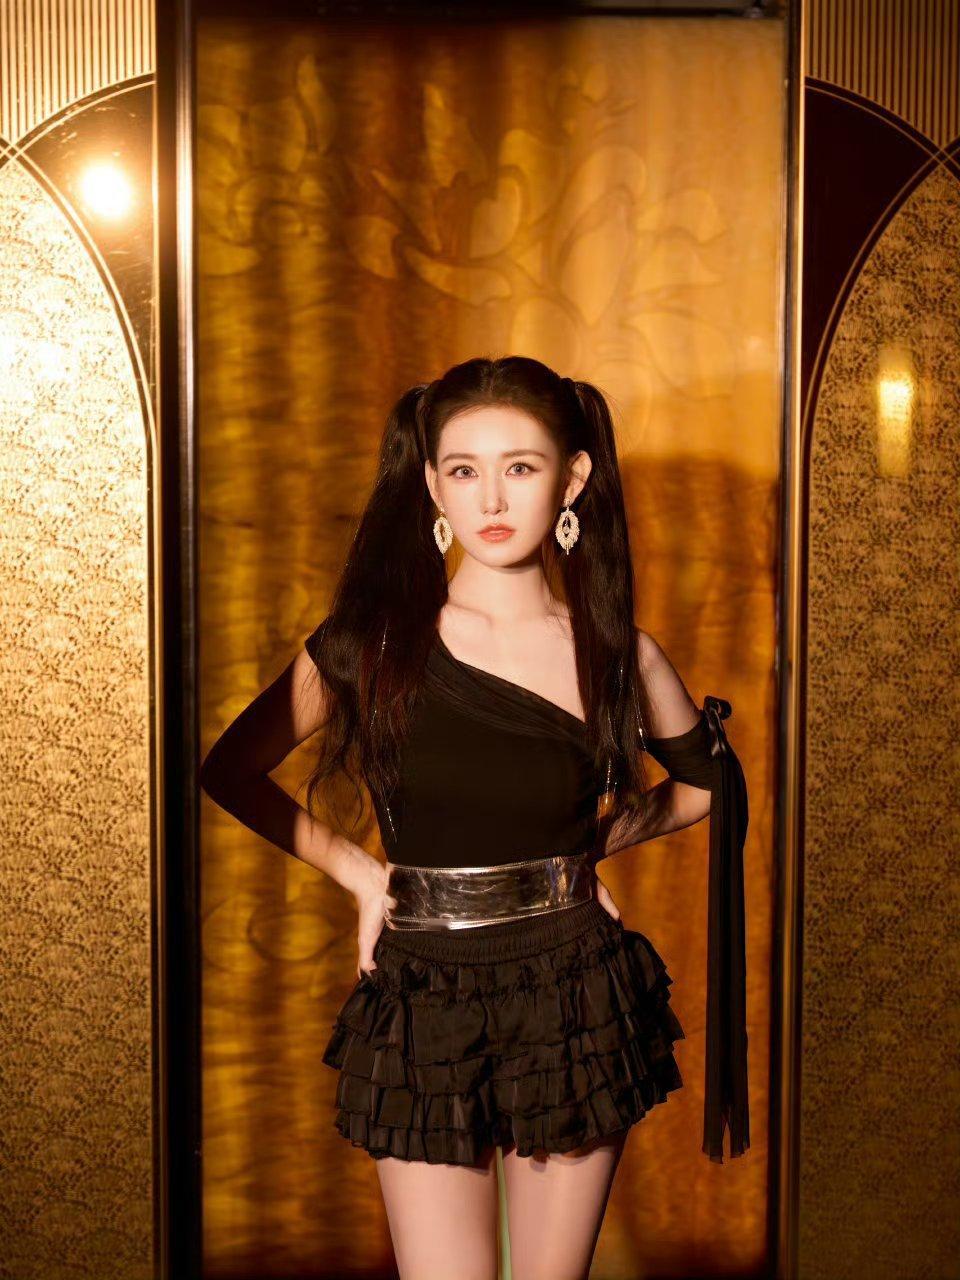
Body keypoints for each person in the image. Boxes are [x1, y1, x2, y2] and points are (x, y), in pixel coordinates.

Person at [200, 355, 749, 1280]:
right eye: (464, 469)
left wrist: (585, 850)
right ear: (431, 486)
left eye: (521, 467)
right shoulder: (371, 646)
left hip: (573, 991)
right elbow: (230, 770)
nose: (491, 497)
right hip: (424, 995)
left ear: (572, 479)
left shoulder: (618, 653)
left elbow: (709, 787)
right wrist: (360, 874)